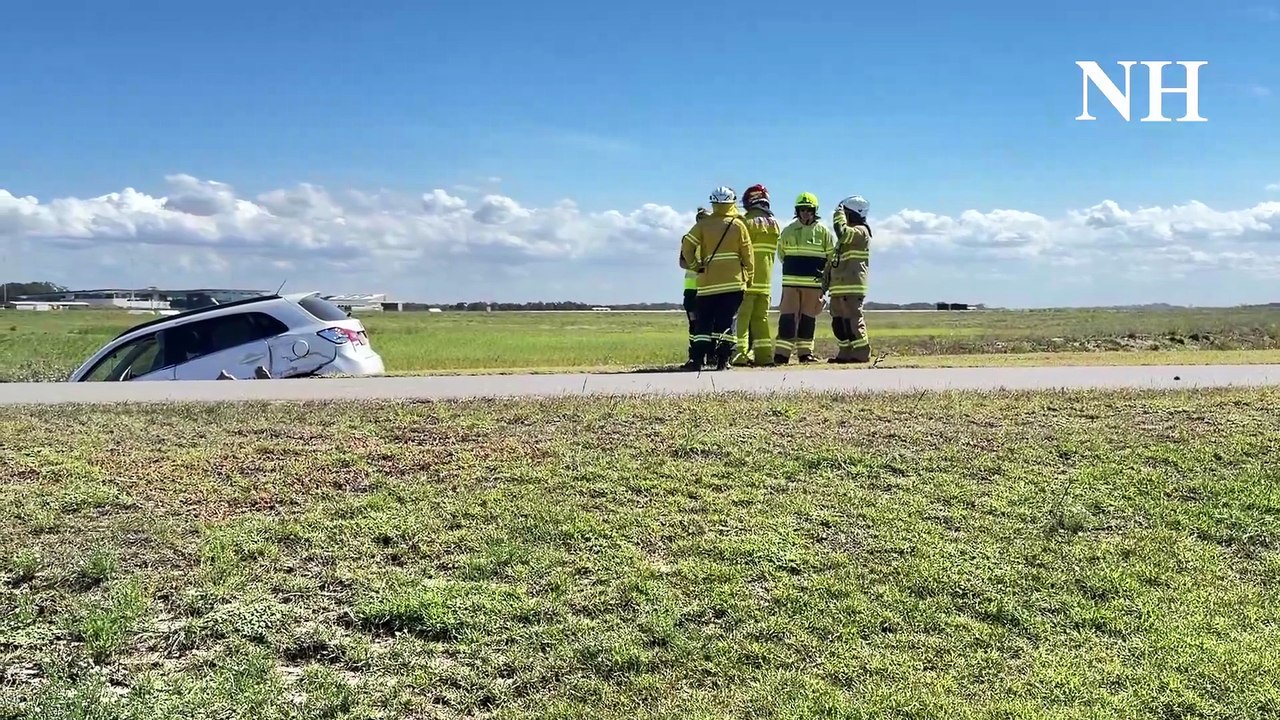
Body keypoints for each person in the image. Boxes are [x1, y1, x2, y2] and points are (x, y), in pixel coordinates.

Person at [680, 186, 754, 371]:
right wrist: (749, 276)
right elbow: (748, 254)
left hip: (707, 284)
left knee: (703, 322)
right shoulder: (738, 225)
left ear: (713, 203)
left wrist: (696, 265)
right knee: (726, 322)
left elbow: (687, 247)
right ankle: (722, 361)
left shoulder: (702, 225)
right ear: (732, 203)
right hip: (733, 284)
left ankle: (697, 360)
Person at [774, 192, 833, 364]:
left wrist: (824, 283)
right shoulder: (788, 231)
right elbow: (781, 254)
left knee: (808, 320)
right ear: (797, 211)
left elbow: (830, 258)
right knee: (787, 320)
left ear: (815, 211)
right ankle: (781, 354)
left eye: (809, 209)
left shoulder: (824, 232)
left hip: (813, 286)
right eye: (802, 209)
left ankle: (805, 354)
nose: (805, 213)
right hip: (791, 285)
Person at [730, 184, 783, 366]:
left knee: (742, 319)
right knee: (761, 319)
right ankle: (764, 357)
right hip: (766, 283)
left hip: (747, 280)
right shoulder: (775, 224)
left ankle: (740, 356)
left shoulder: (745, 222)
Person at [825, 195, 874, 363]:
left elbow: (842, 232)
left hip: (852, 287)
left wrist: (837, 215)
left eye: (845, 213)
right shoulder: (845, 239)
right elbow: (832, 263)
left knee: (853, 320)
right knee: (839, 323)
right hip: (838, 288)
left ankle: (861, 352)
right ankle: (845, 352)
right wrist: (824, 286)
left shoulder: (861, 232)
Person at [678, 207, 711, 369]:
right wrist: (697, 266)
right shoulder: (688, 238)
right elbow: (682, 261)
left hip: (709, 287)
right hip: (692, 289)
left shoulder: (714, 239)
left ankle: (710, 356)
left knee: (709, 324)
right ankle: (696, 357)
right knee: (694, 325)